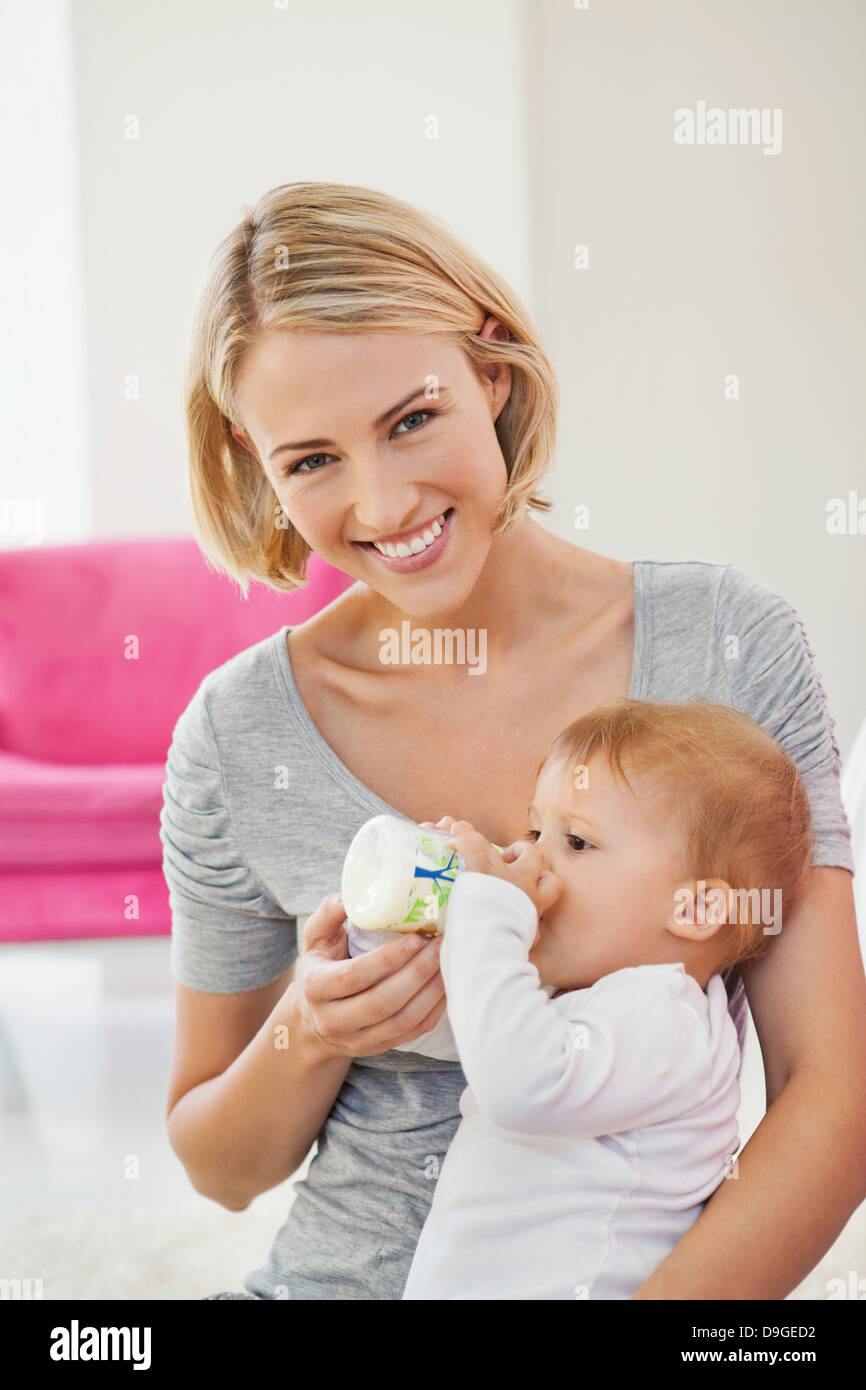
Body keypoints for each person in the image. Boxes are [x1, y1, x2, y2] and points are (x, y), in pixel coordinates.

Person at [161, 180, 866, 1301]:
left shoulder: (722, 646)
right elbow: (217, 1167)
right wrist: (312, 1025)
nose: (383, 504)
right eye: (311, 460)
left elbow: (829, 1096)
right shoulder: (241, 734)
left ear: (492, 369)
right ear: (257, 461)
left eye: (410, 419)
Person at [402, 699, 813, 1299]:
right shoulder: (583, 997)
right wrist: (396, 932)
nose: (533, 857)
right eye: (534, 830)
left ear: (696, 908)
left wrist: (487, 912)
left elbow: (521, 1085)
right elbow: (439, 1025)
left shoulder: (668, 1021)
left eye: (577, 841)